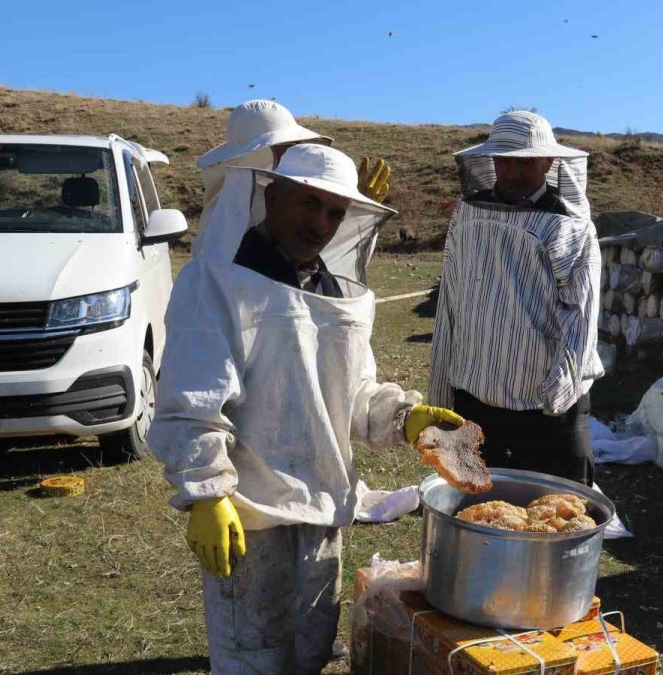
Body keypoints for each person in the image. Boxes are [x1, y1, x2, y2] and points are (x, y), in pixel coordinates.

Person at [147, 143, 461, 674]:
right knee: (253, 657)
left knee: (310, 649)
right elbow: (192, 398)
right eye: (310, 204)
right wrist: (207, 493)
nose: (322, 223)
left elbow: (355, 393)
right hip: (250, 515)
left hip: (324, 508)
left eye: (336, 213)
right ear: (273, 196)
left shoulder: (334, 290)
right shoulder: (220, 280)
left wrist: (405, 417)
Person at [429, 111, 603, 486]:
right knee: (476, 511)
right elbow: (451, 303)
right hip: (475, 400)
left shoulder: (570, 226)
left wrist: (558, 398)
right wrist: (440, 395)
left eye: (526, 162)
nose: (513, 172)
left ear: (549, 162)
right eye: (505, 161)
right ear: (492, 161)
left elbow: (582, 316)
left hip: (545, 409)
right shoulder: (468, 215)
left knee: (556, 514)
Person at [193, 99, 390, 260]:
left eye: (296, 144)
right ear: (255, 154)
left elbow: (330, 258)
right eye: (285, 145)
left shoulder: (280, 198)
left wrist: (354, 212)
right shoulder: (225, 218)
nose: (294, 151)